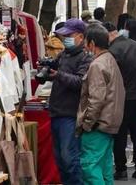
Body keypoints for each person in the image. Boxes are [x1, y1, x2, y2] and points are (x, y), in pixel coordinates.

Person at [76, 25, 125, 184]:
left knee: (89, 166)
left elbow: (96, 99)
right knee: (104, 168)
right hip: (108, 123)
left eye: (85, 41)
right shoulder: (109, 59)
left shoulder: (97, 64)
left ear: (91, 43)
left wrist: (87, 123)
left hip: (98, 125)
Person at [103, 22, 136, 180]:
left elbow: (111, 77)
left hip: (121, 97)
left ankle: (121, 169)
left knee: (120, 134)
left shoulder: (112, 51)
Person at [50, 18, 92, 185]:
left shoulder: (85, 58)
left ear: (81, 37)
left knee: (69, 158)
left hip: (71, 114)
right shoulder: (63, 55)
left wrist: (58, 75)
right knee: (60, 159)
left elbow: (80, 82)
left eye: (69, 35)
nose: (65, 39)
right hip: (56, 112)